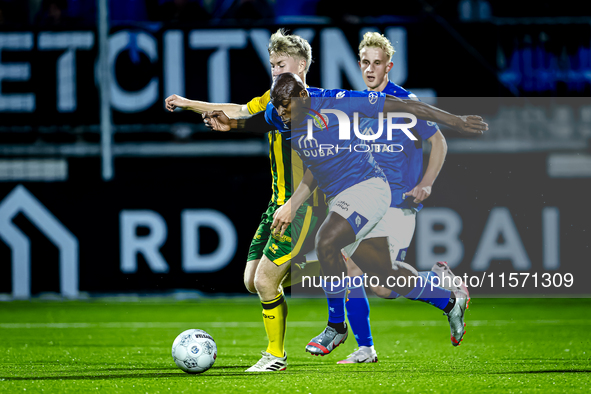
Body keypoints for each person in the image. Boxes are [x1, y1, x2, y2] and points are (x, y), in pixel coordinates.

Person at [203, 72, 488, 359]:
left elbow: (407, 107)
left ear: (303, 96)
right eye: (277, 107)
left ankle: (336, 327)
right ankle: (449, 302)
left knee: (327, 240)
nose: (281, 114)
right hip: (341, 197)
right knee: (385, 277)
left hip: (369, 187)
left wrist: (456, 121)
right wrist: (231, 124)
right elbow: (257, 123)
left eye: (285, 107)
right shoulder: (282, 113)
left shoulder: (338, 102)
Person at [166, 30, 324, 372]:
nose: (275, 70)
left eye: (281, 64)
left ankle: (275, 356)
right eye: (271, 65)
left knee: (267, 281)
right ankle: (331, 266)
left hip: (299, 205)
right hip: (276, 202)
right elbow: (238, 111)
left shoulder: (310, 106)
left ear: (301, 65)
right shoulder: (273, 99)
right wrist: (189, 103)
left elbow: (318, 169)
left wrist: (293, 204)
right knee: (252, 280)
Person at [333, 32, 470, 364]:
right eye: (364, 62)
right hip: (368, 204)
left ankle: (446, 297)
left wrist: (427, 183)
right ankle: (367, 346)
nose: (369, 69)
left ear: (389, 66)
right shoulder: (358, 105)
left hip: (398, 204)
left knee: (379, 281)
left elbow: (439, 143)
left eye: (376, 63)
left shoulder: (406, 102)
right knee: (373, 278)